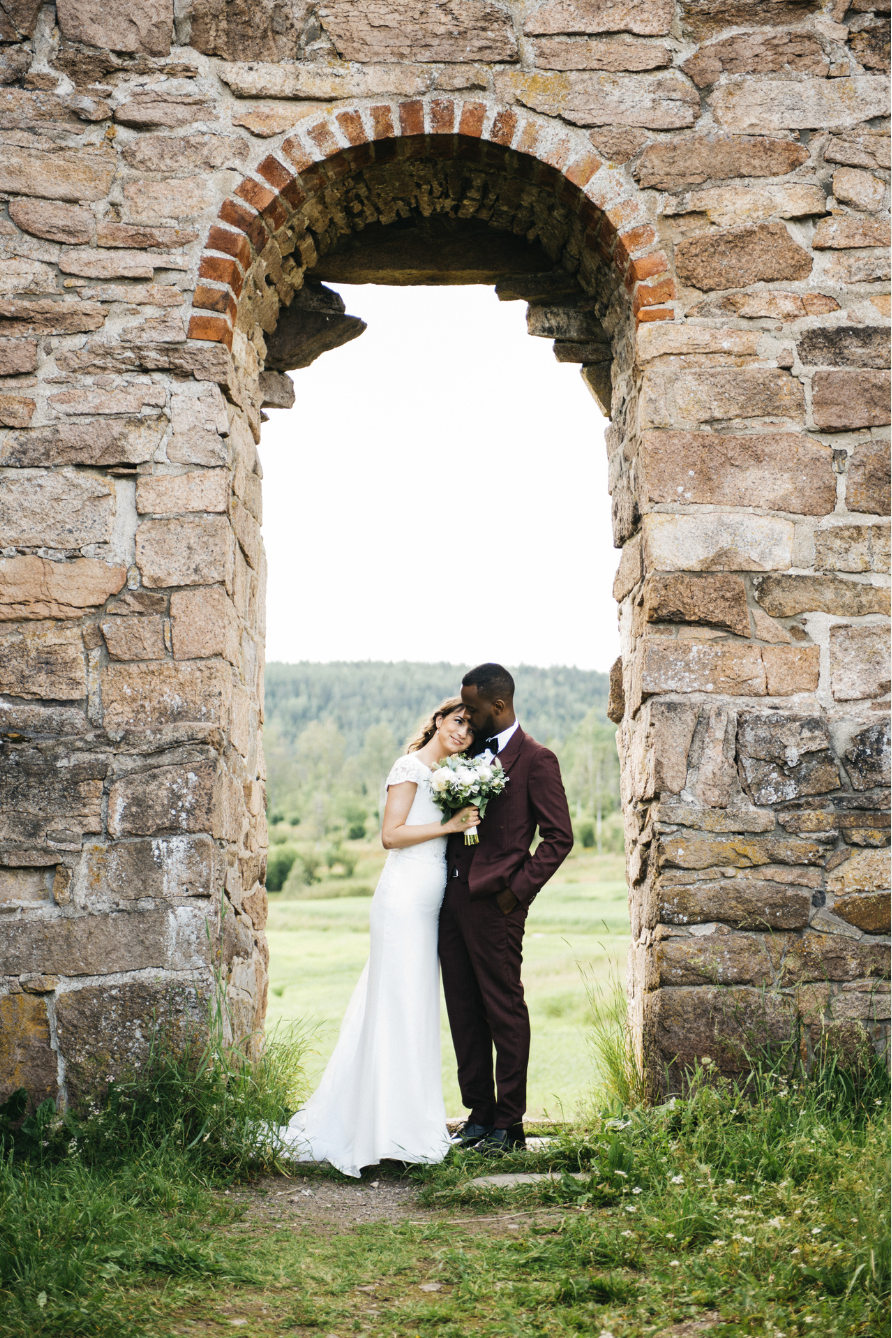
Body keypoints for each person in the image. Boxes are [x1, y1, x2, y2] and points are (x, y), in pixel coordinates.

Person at [280, 699, 479, 1177]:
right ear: (438, 720)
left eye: (471, 729)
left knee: (414, 1005)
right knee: (395, 1003)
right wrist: (451, 825)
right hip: (402, 897)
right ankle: (380, 1130)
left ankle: (409, 1121)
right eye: (458, 721)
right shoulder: (409, 766)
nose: (463, 732)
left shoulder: (451, 775)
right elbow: (390, 835)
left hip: (430, 899)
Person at [439, 663, 574, 1156]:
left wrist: (516, 893)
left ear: (498, 706)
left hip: (498, 904)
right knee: (463, 1010)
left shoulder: (537, 759)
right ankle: (477, 1116)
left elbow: (560, 838)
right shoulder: (466, 754)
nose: (467, 720)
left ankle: (510, 1125)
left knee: (503, 1010)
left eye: (473, 711)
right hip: (450, 901)